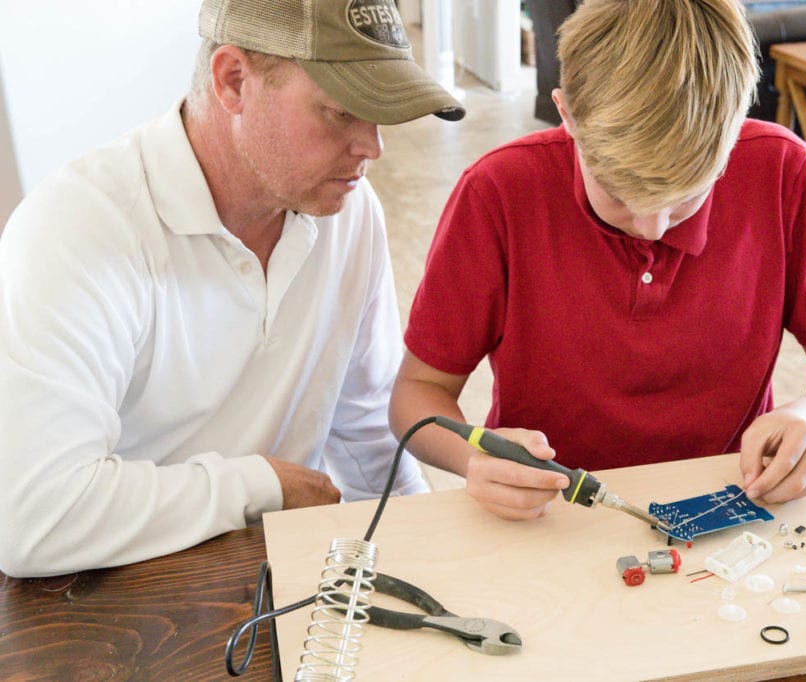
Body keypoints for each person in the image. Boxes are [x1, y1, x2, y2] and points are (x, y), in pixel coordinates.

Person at [0, 0, 465, 578]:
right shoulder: (78, 231)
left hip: (269, 570)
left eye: (378, 115)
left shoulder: (348, 213)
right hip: (106, 588)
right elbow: (35, 518)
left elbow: (364, 426)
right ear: (233, 80)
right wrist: (258, 482)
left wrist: (439, 558)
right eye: (341, 112)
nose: (372, 148)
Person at [389, 0, 806, 523]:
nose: (654, 229)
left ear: (736, 127)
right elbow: (415, 397)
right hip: (550, 516)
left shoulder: (782, 171)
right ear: (567, 115)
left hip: (730, 501)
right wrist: (473, 459)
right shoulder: (499, 193)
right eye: (621, 196)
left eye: (688, 198)